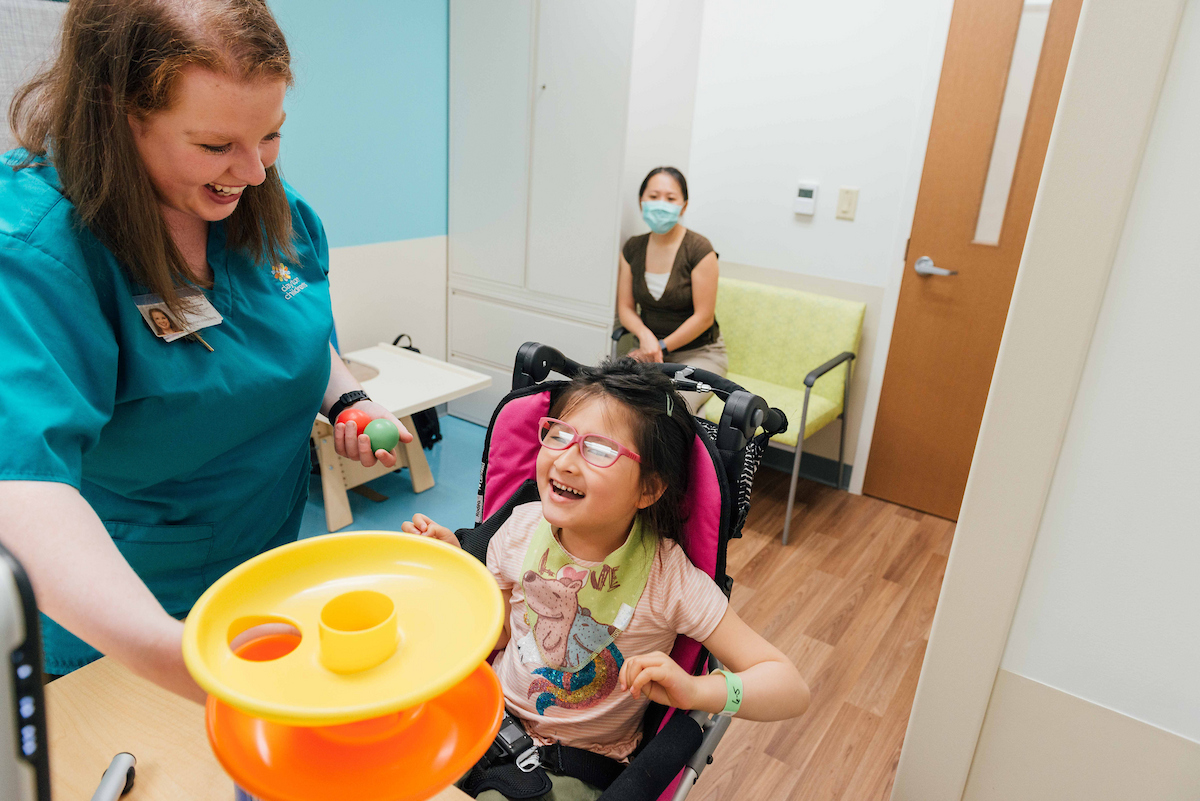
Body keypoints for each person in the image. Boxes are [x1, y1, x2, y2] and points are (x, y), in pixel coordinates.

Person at [0, 0, 411, 701]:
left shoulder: (272, 208)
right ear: (118, 113)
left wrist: (346, 396)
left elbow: (299, 330)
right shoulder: (37, 250)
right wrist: (175, 658)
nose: (252, 171)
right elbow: (22, 488)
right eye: (216, 145)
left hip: (265, 568)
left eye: (271, 136)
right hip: (124, 622)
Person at [404, 360, 809, 800]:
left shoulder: (669, 580)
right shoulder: (520, 527)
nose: (566, 461)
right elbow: (498, 636)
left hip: (570, 764)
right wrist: (461, 572)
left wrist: (697, 689)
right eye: (558, 435)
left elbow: (789, 687)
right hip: (480, 719)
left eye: (598, 450)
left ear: (648, 489)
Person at [617, 167, 727, 414]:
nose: (660, 204)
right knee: (616, 400)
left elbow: (703, 317)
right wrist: (645, 338)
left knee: (672, 410)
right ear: (641, 201)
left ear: (683, 206)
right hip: (647, 352)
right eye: (653, 196)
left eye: (670, 198)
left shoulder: (699, 249)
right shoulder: (633, 248)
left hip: (698, 355)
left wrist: (660, 347)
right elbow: (625, 308)